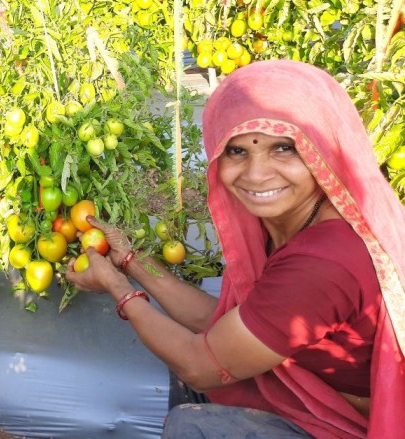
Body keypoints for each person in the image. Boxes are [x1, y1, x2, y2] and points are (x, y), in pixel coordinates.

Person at [65, 59, 405, 438]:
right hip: (312, 390)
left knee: (191, 422)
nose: (257, 174)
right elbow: (225, 323)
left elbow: (200, 363)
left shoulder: (324, 260)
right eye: (237, 151)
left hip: (346, 421)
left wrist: (117, 287)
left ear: (321, 152)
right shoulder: (292, 223)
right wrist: (130, 260)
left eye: (284, 148)